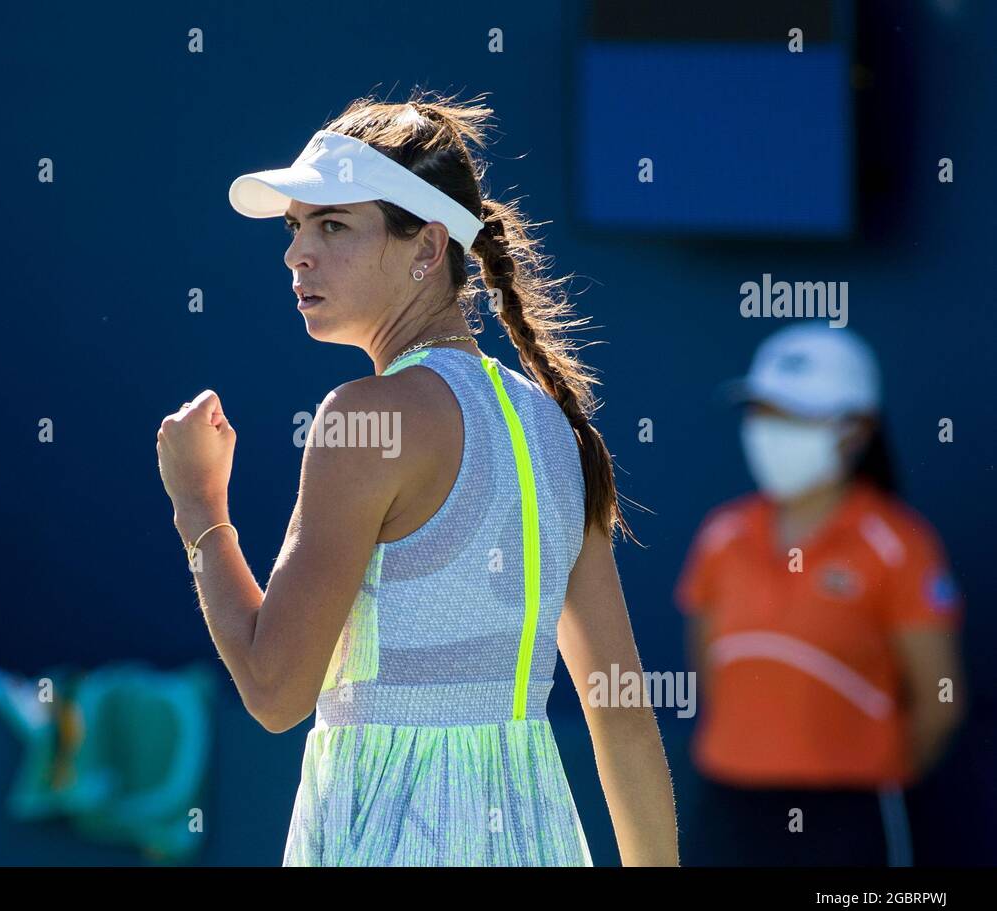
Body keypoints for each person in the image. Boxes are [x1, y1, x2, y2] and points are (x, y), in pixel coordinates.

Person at [156, 91, 678, 866]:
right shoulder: (554, 430)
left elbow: (274, 691)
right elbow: (623, 713)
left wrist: (198, 506)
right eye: (298, 225)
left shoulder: (364, 419)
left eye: (333, 225)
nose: (296, 252)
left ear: (427, 249)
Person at [675, 322, 966, 866]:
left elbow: (940, 703)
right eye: (762, 410)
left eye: (793, 413)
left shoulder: (899, 546)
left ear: (855, 429)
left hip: (850, 818)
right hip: (728, 808)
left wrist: (865, 769)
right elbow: (712, 675)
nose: (769, 429)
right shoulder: (721, 536)